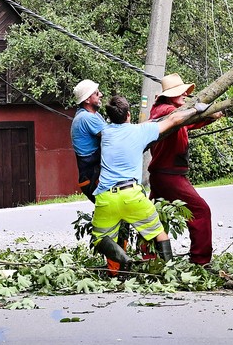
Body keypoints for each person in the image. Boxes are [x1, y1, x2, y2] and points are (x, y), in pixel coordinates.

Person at [90, 94, 197, 274]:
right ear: (129, 115)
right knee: (159, 234)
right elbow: (174, 119)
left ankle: (124, 260)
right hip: (132, 195)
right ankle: (169, 272)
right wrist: (196, 109)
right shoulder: (141, 131)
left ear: (110, 117)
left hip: (106, 197)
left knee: (100, 240)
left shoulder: (106, 133)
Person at [148, 72, 214, 266]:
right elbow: (179, 117)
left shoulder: (177, 116)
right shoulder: (165, 111)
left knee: (156, 215)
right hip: (169, 175)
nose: (185, 94)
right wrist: (199, 110)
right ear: (170, 95)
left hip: (163, 174)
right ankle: (200, 260)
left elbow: (193, 121)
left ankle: (151, 258)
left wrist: (213, 115)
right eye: (182, 92)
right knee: (201, 211)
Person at [71, 79, 106, 200]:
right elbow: (114, 137)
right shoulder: (87, 118)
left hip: (93, 176)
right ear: (87, 100)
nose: (101, 94)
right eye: (96, 93)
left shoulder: (91, 115)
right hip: (94, 178)